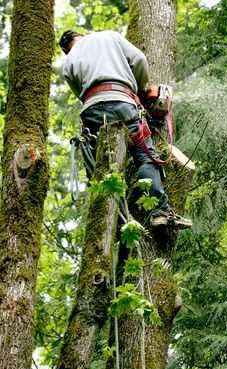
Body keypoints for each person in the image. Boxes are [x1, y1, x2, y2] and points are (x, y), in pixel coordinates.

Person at [60, 29, 192, 229]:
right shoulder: (109, 36)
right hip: (122, 102)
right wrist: (140, 88)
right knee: (146, 156)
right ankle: (159, 212)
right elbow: (139, 59)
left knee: (102, 167)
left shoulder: (68, 61)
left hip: (91, 111)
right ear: (82, 35)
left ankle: (108, 222)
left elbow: (80, 93)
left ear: (66, 48)